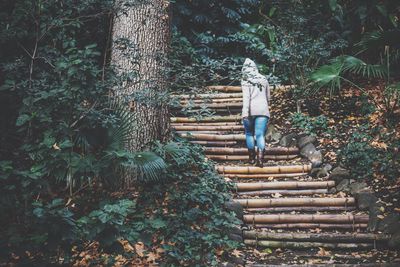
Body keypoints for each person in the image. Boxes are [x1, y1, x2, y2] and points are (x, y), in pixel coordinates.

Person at [241, 58, 271, 168]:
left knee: (249, 134)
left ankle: (251, 158)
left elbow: (246, 98)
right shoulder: (263, 79)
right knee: (260, 135)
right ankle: (260, 159)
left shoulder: (245, 80)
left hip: (249, 111)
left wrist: (245, 112)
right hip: (263, 110)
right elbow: (268, 96)